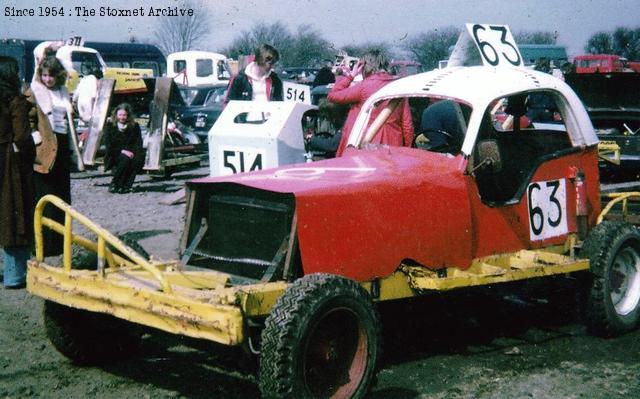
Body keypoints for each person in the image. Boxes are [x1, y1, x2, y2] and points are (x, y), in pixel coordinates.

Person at [26, 54, 72, 257]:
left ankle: (59, 244)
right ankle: (43, 245)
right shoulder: (35, 92)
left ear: (58, 76)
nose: (47, 79)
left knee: (62, 197)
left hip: (61, 146)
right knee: (45, 196)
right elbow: (28, 119)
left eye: (51, 75)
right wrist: (36, 138)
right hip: (45, 146)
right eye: (44, 75)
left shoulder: (63, 92)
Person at [328, 49, 413, 156]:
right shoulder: (399, 86)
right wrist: (407, 149)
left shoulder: (364, 86)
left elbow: (333, 95)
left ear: (364, 66)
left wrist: (351, 75)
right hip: (393, 145)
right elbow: (407, 125)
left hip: (366, 145)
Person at [0, 59, 36, 288]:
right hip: (8, 162)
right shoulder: (15, 100)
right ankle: (14, 275)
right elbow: (22, 136)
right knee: (14, 216)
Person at [103, 103, 144, 194]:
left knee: (136, 159)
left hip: (131, 151)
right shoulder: (110, 126)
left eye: (124, 115)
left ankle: (126, 186)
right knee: (125, 159)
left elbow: (138, 142)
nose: (122, 117)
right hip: (115, 153)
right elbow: (109, 145)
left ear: (128, 115)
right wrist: (123, 151)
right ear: (116, 115)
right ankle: (115, 183)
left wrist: (135, 153)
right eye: (120, 115)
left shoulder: (134, 126)